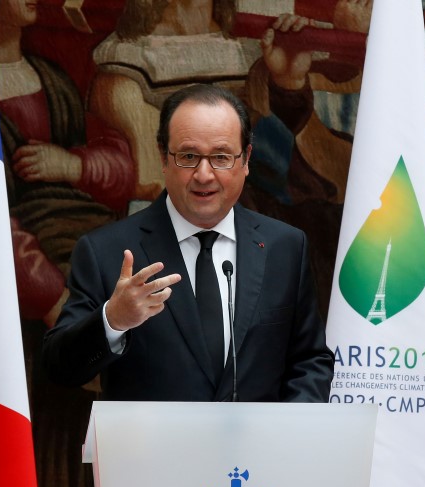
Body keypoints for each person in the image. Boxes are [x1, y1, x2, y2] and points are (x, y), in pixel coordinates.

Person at [43, 84, 334, 402]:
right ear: (163, 158)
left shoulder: (285, 247)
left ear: (246, 159)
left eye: (221, 157)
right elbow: (60, 369)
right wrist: (113, 320)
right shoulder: (106, 251)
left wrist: (286, 432)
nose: (204, 174)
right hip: (152, 451)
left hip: (258, 449)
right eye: (188, 156)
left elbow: (309, 362)